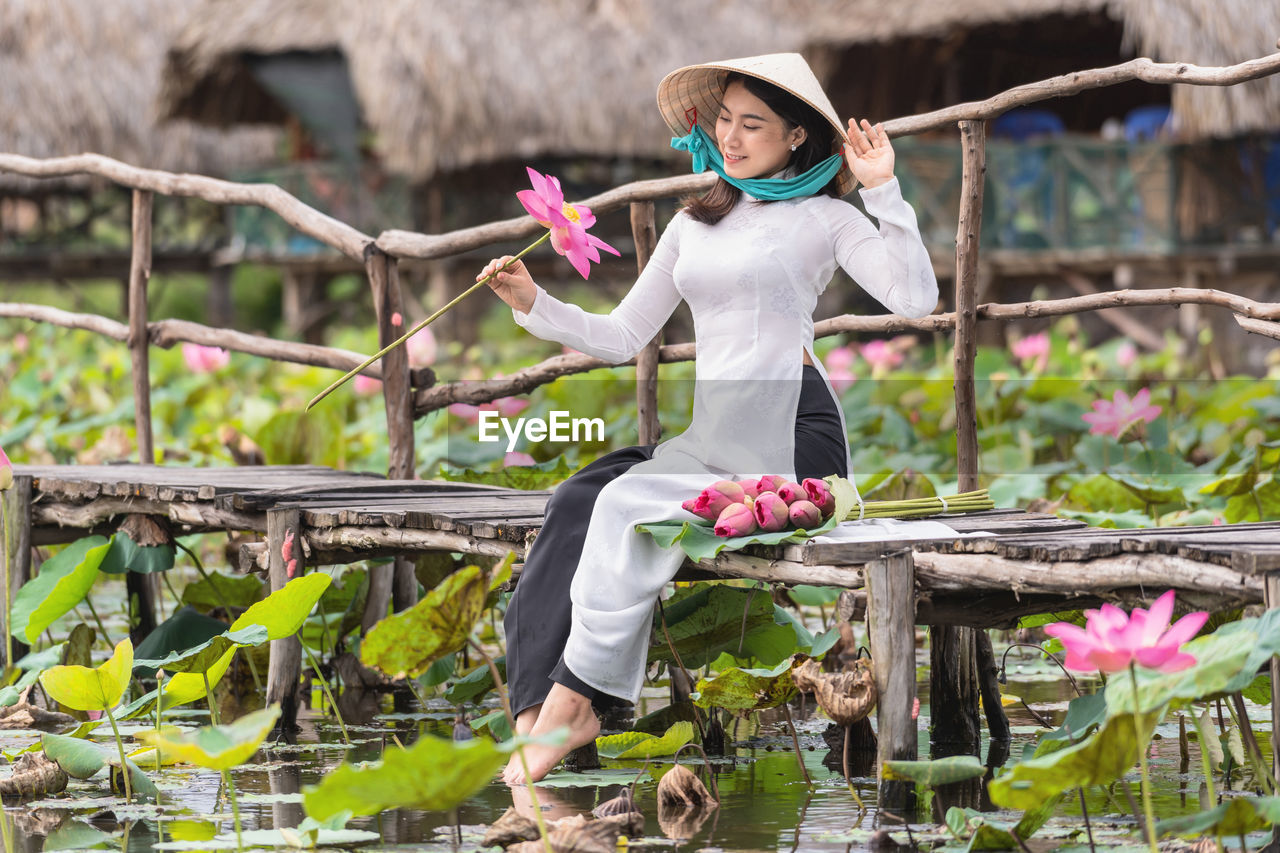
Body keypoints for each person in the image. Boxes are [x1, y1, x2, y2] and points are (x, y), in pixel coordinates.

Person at [476, 53, 938, 784]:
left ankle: (577, 704)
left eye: (753, 124)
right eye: (724, 119)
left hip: (793, 430)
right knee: (573, 501)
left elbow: (915, 298)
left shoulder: (828, 218)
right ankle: (536, 717)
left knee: (628, 502)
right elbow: (626, 333)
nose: (731, 136)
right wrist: (534, 302)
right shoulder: (694, 224)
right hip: (715, 435)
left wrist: (884, 191)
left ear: (795, 137)